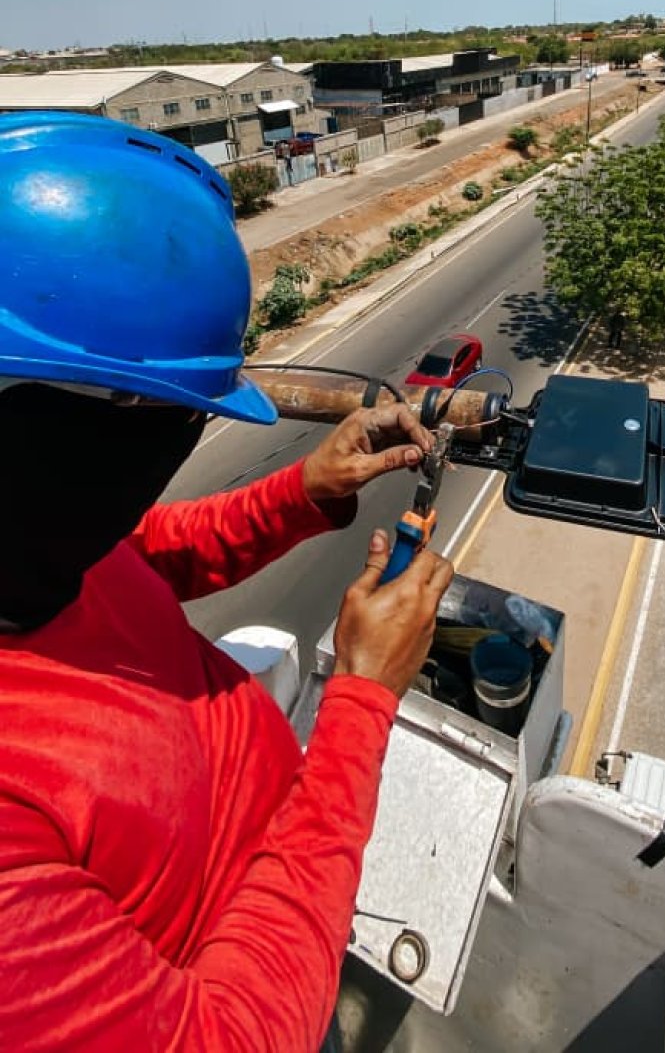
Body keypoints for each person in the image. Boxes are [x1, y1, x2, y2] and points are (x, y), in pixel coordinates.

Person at [0, 111, 454, 1051]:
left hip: (290, 864)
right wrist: (362, 697)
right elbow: (236, 1035)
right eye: (159, 412)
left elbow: (142, 551)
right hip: (281, 962)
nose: (175, 442)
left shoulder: (37, 550)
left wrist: (302, 491)